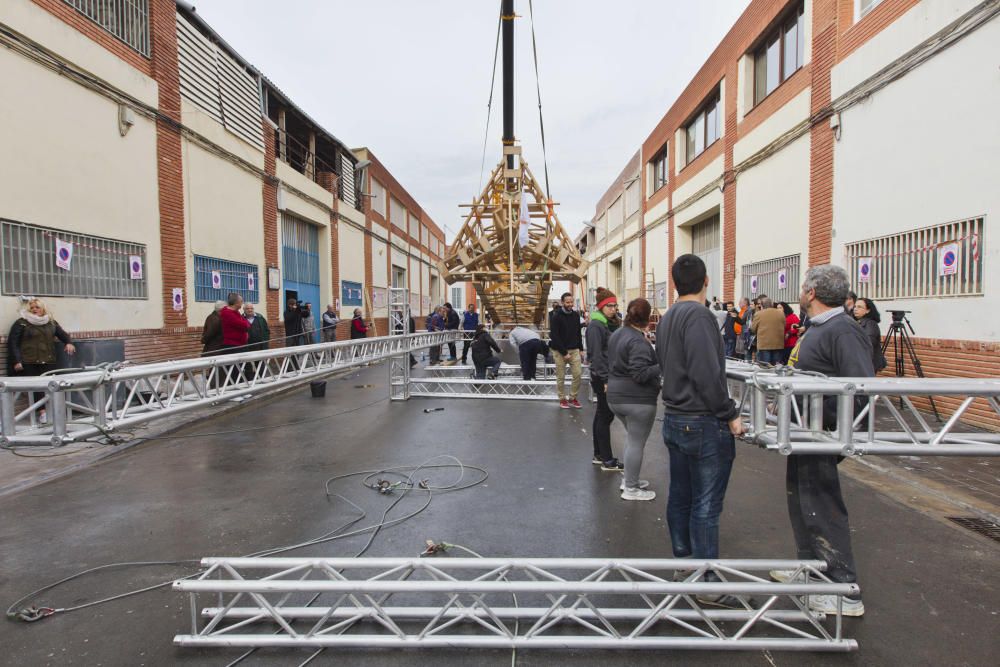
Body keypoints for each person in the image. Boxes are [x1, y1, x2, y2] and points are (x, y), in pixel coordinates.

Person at [776, 265, 874, 617]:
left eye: (802, 287)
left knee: (822, 505)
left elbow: (860, 389)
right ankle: (812, 572)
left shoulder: (843, 330)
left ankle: (844, 589)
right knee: (803, 503)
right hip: (804, 432)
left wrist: (825, 420)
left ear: (812, 293)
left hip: (821, 434)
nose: (800, 293)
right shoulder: (820, 327)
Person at [656, 254, 745, 609]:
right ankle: (706, 579)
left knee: (681, 495)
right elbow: (707, 373)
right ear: (706, 281)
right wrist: (730, 413)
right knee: (706, 504)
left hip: (676, 417)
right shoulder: (699, 316)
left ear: (675, 282)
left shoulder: (668, 317)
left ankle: (685, 563)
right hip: (702, 420)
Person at [608, 298, 661, 501]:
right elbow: (640, 374)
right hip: (637, 399)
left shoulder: (617, 334)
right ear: (647, 318)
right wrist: (662, 365)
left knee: (632, 441)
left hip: (615, 396)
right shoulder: (638, 341)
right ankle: (631, 487)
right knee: (636, 443)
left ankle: (630, 480)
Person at [8, 298, 76, 424]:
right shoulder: (21, 323)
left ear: (43, 308)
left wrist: (68, 343)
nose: (34, 310)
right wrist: (16, 361)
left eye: (37, 307)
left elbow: (63, 334)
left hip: (48, 360)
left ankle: (55, 412)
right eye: (32, 308)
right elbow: (13, 342)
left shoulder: (51, 322)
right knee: (36, 388)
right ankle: (42, 413)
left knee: (51, 387)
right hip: (29, 361)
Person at [585, 287, 623, 471]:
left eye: (615, 305)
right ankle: (607, 459)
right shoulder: (596, 326)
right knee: (605, 416)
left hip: (606, 375)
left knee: (602, 414)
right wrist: (606, 379)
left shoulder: (606, 324)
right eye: (609, 306)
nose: (613, 309)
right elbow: (597, 355)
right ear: (601, 307)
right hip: (602, 376)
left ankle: (600, 454)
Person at [549, 292, 584, 409]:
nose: (570, 304)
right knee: (561, 376)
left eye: (571, 302)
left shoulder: (575, 315)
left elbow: (578, 333)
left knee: (578, 374)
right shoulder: (556, 316)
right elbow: (555, 336)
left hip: (574, 350)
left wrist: (581, 349)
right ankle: (562, 398)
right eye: (568, 302)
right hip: (559, 350)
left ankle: (573, 398)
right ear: (562, 302)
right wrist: (564, 353)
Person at [853, 297, 887, 373]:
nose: (855, 309)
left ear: (868, 310)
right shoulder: (857, 322)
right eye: (855, 306)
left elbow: (869, 342)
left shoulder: (871, 324)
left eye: (859, 307)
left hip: (868, 362)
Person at [751, 297, 786, 365]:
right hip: (778, 344)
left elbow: (753, 329)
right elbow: (784, 325)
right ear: (772, 304)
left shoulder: (758, 314)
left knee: (765, 367)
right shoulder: (781, 313)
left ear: (762, 305)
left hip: (764, 344)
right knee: (775, 367)